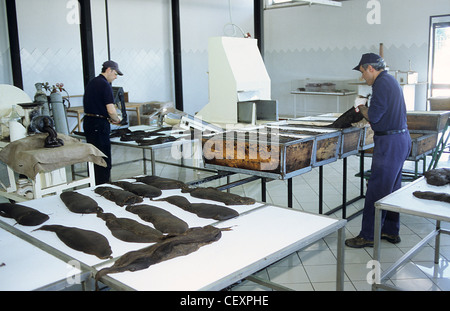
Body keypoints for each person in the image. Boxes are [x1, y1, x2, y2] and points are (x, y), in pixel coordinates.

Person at [345, 53, 411, 248]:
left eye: (363, 72)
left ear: (370, 68)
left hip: (390, 143)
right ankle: (390, 231)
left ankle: (368, 235)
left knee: (376, 190)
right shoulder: (390, 81)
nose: (363, 77)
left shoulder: (381, 83)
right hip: (400, 139)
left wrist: (361, 106)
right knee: (392, 189)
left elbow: (374, 116)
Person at [83, 60, 123, 185]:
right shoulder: (105, 85)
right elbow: (111, 110)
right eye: (115, 73)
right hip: (99, 125)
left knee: (94, 157)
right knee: (104, 158)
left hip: (89, 122)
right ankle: (104, 187)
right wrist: (117, 119)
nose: (116, 77)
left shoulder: (93, 82)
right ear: (109, 70)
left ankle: (94, 186)